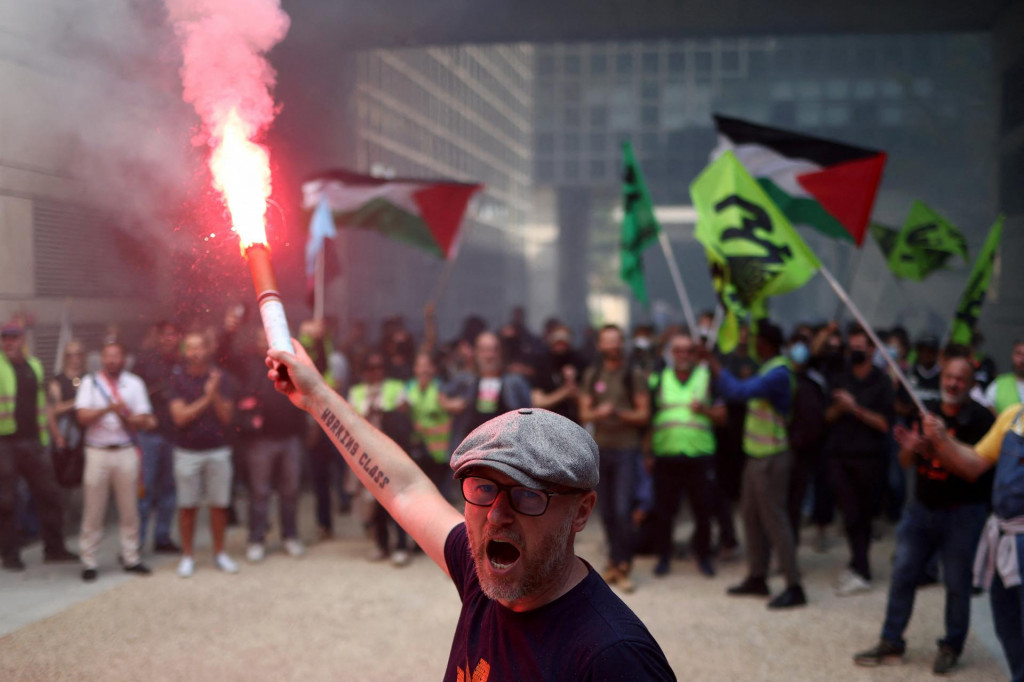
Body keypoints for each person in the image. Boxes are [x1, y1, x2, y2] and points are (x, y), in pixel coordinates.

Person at [265, 342, 677, 680]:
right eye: (483, 488)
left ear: (581, 511)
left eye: (527, 496)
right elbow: (405, 489)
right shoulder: (482, 575)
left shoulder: (613, 659)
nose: (496, 515)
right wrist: (317, 396)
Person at [853, 356, 994, 675]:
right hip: (921, 510)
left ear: (972, 385)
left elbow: (971, 470)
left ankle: (951, 645)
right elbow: (905, 462)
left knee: (957, 583)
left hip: (962, 514)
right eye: (948, 377)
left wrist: (939, 443)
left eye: (960, 379)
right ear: (940, 379)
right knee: (903, 573)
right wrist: (915, 447)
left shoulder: (981, 419)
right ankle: (891, 640)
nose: (952, 383)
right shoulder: (926, 412)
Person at [919, 401, 1024, 681]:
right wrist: (943, 438)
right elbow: (974, 463)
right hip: (1006, 539)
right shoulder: (1013, 416)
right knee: (1008, 625)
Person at [706, 322, 806, 609]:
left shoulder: (778, 372)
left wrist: (714, 365)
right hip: (756, 455)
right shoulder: (768, 368)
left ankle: (794, 584)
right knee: (750, 516)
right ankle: (757, 576)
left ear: (766, 344)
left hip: (772, 456)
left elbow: (738, 391)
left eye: (756, 341)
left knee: (775, 521)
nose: (752, 346)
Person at [74, 340, 155, 581]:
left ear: (124, 359)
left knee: (129, 508)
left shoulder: (134, 383)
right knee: (93, 509)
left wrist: (127, 415)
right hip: (97, 451)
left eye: (116, 356)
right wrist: (108, 409)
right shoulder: (90, 383)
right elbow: (82, 416)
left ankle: (131, 557)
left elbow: (145, 417)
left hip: (126, 451)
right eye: (107, 356)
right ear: (102, 359)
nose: (112, 361)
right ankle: (89, 561)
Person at [0, 322, 78, 571]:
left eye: (13, 338)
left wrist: (50, 436)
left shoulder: (33, 365)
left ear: (22, 339)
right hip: (5, 443)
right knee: (7, 502)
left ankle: (54, 549)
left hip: (34, 442)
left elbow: (43, 403)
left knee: (50, 495)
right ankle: (10, 555)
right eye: (4, 338)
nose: (8, 342)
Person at [647, 332, 726, 578]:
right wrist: (647, 452)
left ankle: (703, 556)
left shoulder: (707, 378)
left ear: (695, 354)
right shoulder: (658, 378)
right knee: (665, 511)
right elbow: (649, 417)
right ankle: (664, 556)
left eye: (689, 351)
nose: (683, 355)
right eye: (678, 350)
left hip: (699, 454)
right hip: (666, 454)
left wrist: (704, 409)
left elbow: (723, 417)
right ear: (671, 353)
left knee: (703, 510)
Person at [579, 324, 650, 593]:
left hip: (626, 449)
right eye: (607, 341)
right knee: (606, 511)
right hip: (600, 450)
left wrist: (618, 413)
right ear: (599, 345)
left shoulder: (634, 374)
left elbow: (644, 414)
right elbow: (585, 413)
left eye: (616, 341)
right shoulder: (592, 374)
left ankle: (624, 564)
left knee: (623, 510)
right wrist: (600, 413)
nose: (612, 346)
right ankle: (611, 562)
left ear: (623, 344)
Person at [824, 325, 894, 596]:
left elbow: (885, 424)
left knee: (863, 515)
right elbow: (825, 417)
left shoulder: (882, 381)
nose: (855, 352)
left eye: (860, 348)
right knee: (849, 513)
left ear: (872, 349)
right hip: (839, 456)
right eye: (851, 347)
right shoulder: (839, 376)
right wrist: (839, 409)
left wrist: (856, 409)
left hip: (869, 459)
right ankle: (858, 566)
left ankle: (861, 569)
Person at [168, 332, 237, 578]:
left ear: (208, 349)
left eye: (199, 347)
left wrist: (215, 393)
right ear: (185, 351)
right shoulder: (177, 378)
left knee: (219, 506)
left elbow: (227, 417)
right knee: (188, 507)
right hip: (187, 452)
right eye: (190, 347)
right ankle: (188, 556)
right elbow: (180, 416)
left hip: (218, 450)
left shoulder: (221, 378)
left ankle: (220, 554)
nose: (195, 352)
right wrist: (207, 397)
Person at [238, 329, 307, 562]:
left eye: (268, 341)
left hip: (290, 437)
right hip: (261, 440)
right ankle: (256, 539)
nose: (265, 345)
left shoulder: (290, 365)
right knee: (259, 493)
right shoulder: (248, 366)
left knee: (290, 491)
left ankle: (290, 536)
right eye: (260, 340)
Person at [349, 350, 412, 566]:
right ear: (364, 370)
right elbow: (351, 420)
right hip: (367, 455)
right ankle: (382, 544)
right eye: (371, 368)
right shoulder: (356, 392)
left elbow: (404, 411)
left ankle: (402, 545)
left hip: (392, 453)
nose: (376, 372)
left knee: (399, 500)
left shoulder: (395, 387)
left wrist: (383, 412)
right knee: (375, 502)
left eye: (379, 367)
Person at [132, 321, 182, 554]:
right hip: (149, 435)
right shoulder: (145, 361)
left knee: (169, 489)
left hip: (174, 435)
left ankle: (162, 538)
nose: (169, 339)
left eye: (173, 335)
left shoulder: (182, 362)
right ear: (158, 336)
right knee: (145, 490)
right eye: (165, 335)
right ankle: (137, 541)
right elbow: (131, 392)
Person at [442, 330, 531, 452]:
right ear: (476, 353)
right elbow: (442, 392)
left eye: (494, 350)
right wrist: (449, 404)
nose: (489, 355)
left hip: (505, 451)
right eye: (484, 350)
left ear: (500, 353)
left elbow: (530, 413)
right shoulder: (465, 379)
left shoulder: (515, 382)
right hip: (470, 451)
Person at [406, 351, 453, 501]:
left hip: (439, 456)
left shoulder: (441, 390)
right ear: (415, 369)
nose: (423, 370)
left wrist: (428, 430)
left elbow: (451, 423)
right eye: (420, 366)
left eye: (427, 366)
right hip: (418, 454)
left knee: (440, 500)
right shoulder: (409, 390)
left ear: (433, 369)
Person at [530, 324, 585, 423]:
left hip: (576, 423)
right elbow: (538, 402)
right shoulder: (543, 365)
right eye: (557, 343)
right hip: (548, 422)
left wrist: (572, 382)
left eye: (563, 343)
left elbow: (588, 403)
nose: (560, 347)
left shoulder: (580, 363)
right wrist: (565, 392)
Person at [985, 339, 1024, 415]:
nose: (1022, 359)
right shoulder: (998, 384)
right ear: (1012, 356)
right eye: (1019, 354)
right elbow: (988, 412)